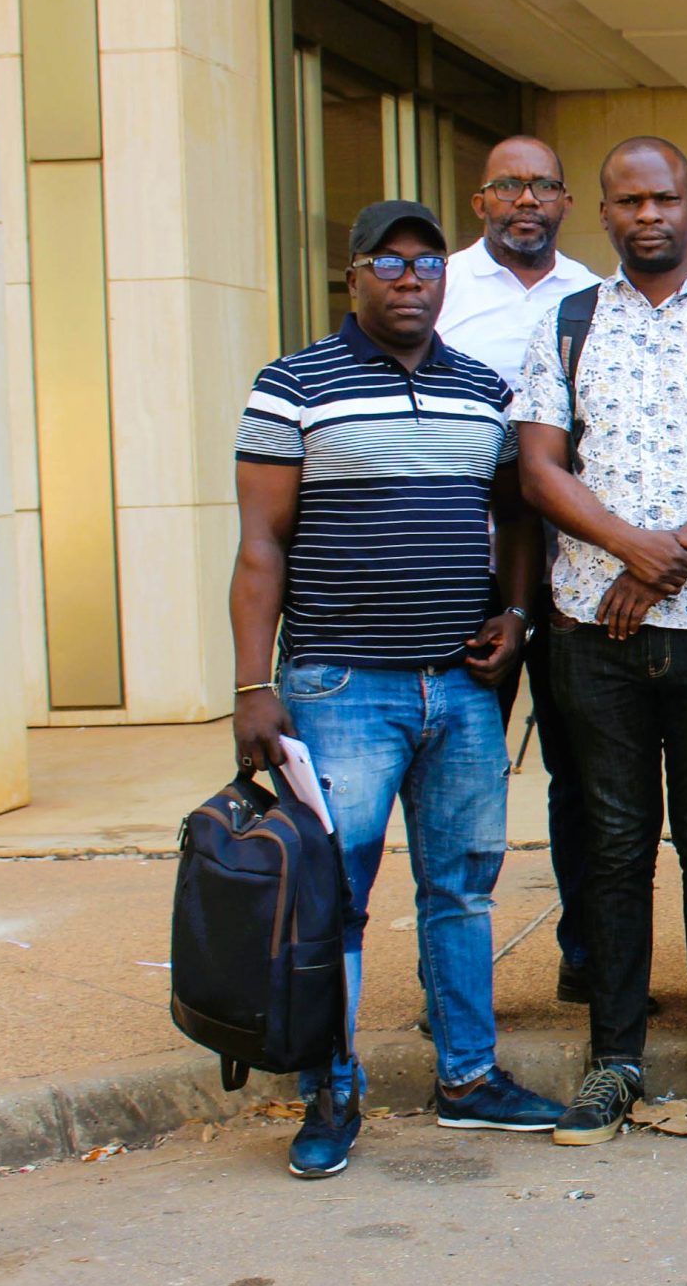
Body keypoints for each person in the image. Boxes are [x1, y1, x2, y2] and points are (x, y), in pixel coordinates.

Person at [232, 198, 564, 1178]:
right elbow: (261, 545)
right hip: (341, 686)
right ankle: (329, 1092)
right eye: (389, 261)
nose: (411, 277)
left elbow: (515, 518)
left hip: (459, 688)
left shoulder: (482, 390)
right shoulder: (294, 385)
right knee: (333, 894)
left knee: (460, 889)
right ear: (354, 276)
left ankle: (469, 1078)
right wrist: (255, 684)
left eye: (425, 262)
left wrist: (517, 615)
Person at [513, 138, 687, 1147]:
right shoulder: (568, 324)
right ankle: (613, 1058)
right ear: (605, 211)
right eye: (628, 200)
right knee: (618, 845)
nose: (649, 216)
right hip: (597, 631)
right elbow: (540, 466)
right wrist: (628, 551)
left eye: (666, 198)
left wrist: (674, 556)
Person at [432, 135, 608, 1007]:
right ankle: (458, 975)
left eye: (543, 185)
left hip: (578, 568)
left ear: (568, 200)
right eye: (510, 186)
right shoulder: (441, 290)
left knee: (583, 774)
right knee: (466, 774)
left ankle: (587, 954)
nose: (526, 200)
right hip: (473, 568)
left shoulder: (594, 295)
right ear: (482, 200)